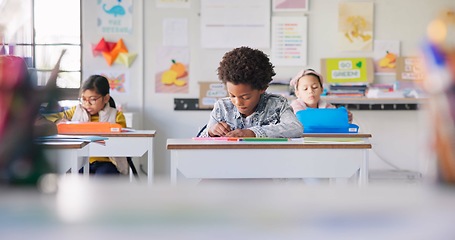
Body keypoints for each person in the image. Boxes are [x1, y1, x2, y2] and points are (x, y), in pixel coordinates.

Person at [198, 46, 303, 138]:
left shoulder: (277, 105)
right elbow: (201, 139)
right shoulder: (222, 107)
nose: (238, 102)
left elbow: (295, 128)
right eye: (232, 95)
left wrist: (253, 133)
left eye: (245, 97)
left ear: (263, 88)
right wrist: (211, 131)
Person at [45, 75, 127, 175]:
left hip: (107, 162)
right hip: (80, 161)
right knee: (72, 179)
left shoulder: (117, 116)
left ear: (106, 98)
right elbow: (49, 117)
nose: (87, 104)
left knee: (104, 179)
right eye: (83, 99)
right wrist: (58, 121)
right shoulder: (75, 111)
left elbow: (121, 142)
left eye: (92, 99)